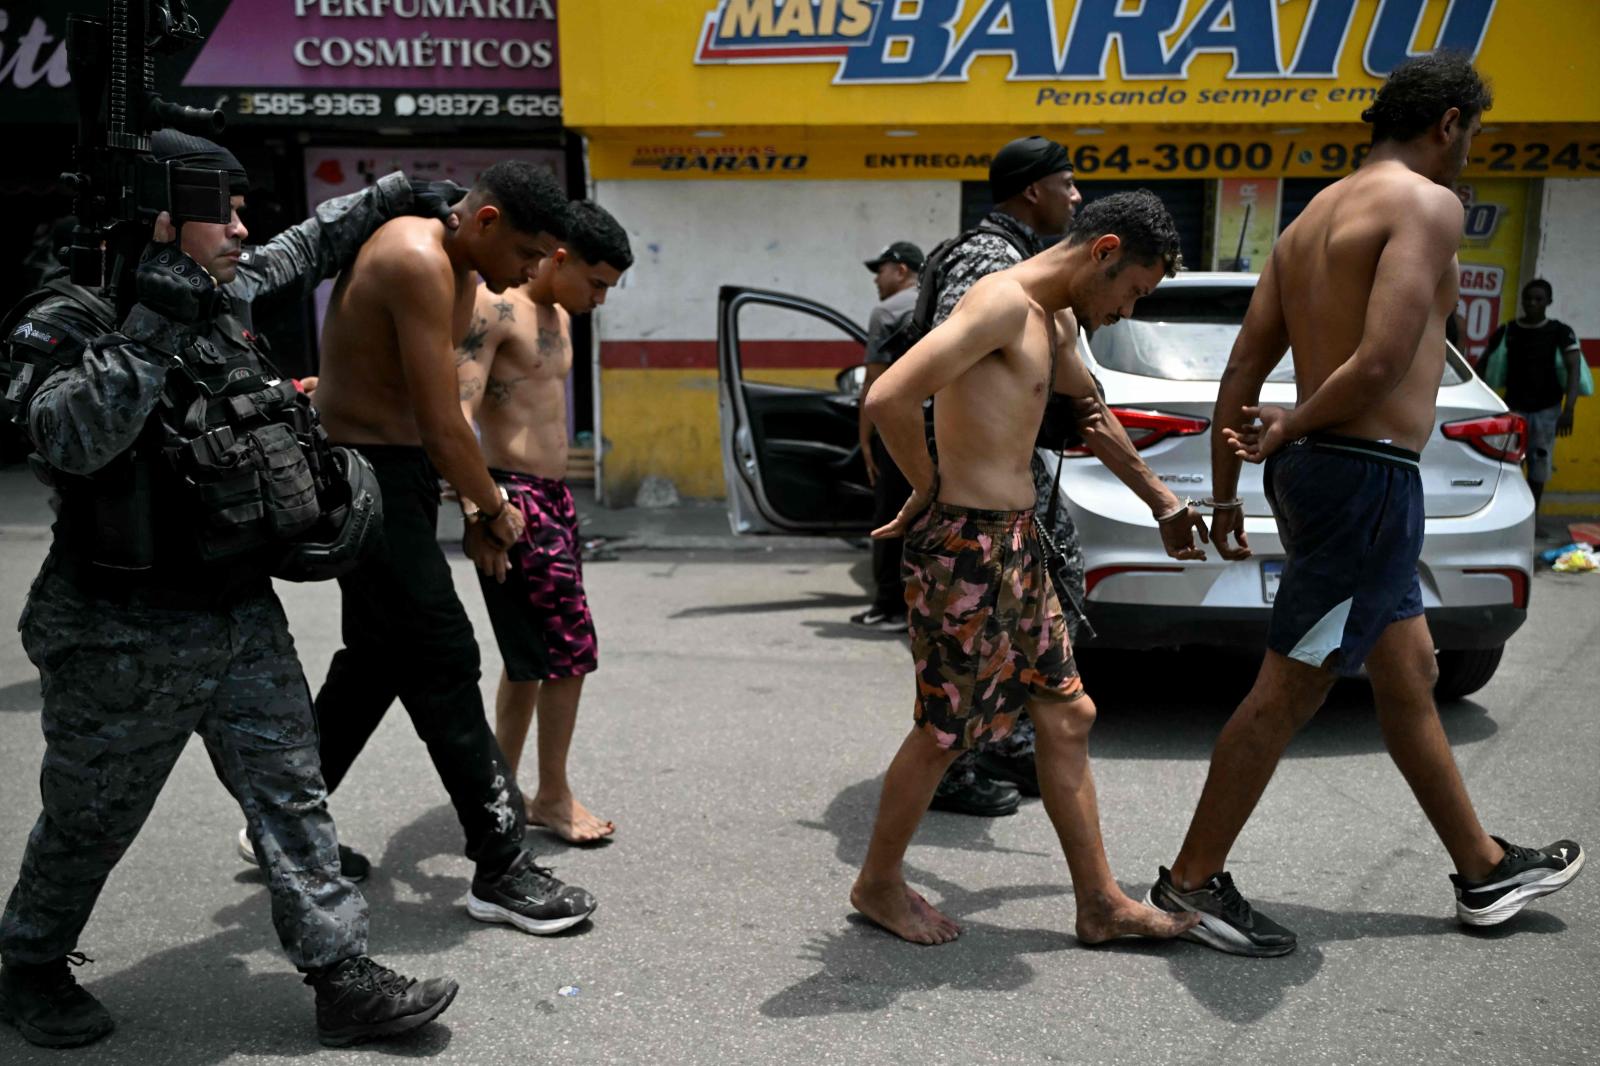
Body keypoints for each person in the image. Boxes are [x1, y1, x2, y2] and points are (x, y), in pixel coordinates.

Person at [0, 132, 461, 1049]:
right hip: (116, 628)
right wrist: (151, 326)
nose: (247, 230)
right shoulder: (68, 316)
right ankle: (31, 964)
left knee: (292, 796)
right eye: (229, 212)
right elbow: (67, 437)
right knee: (92, 817)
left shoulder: (223, 290)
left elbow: (304, 248)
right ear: (165, 221)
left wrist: (391, 194)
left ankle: (342, 976)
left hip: (237, 609)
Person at [1145, 53, 1583, 957]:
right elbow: (1381, 361)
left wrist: (1231, 493)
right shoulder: (1425, 204)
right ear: (1449, 122)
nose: (1469, 154)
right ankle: (1189, 886)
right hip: (1361, 476)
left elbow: (1241, 369)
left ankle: (1483, 868)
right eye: (1473, 136)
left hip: (1320, 475)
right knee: (1291, 685)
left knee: (1408, 673)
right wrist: (1291, 428)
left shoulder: (1307, 223)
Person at [850, 190, 1206, 946]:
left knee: (1069, 713)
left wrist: (1164, 503)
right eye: (1134, 292)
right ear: (1104, 251)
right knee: (945, 732)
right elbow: (889, 394)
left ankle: (1100, 903)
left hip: (1016, 541)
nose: (1130, 313)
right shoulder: (1001, 304)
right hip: (965, 545)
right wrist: (926, 486)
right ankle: (877, 884)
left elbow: (1092, 411)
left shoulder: (1057, 318)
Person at [302, 161, 599, 937]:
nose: (532, 273)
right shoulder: (418, 258)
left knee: (374, 661)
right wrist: (490, 505)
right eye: (528, 254)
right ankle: (500, 868)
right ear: (488, 220)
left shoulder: (458, 258)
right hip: (369, 475)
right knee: (443, 655)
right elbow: (444, 422)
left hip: (387, 472)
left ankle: (285, 818)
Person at [454, 200, 633, 845]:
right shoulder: (495, 309)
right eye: (596, 283)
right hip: (514, 498)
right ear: (560, 258)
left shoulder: (557, 314)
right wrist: (481, 510)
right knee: (569, 651)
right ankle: (552, 795)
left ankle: (504, 786)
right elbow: (459, 408)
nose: (600, 299)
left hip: (554, 498)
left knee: (531, 655)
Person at [851, 240, 925, 631]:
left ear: (900, 270)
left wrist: (865, 438)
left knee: (890, 516)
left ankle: (888, 606)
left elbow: (874, 384)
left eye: (880, 270)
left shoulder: (887, 311)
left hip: (897, 431)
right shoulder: (942, 303)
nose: (876, 280)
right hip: (941, 429)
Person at [1486, 278, 1584, 518]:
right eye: (1528, 298)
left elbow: (1574, 370)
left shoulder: (1560, 332)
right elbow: (1482, 367)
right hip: (1513, 411)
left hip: (1546, 411)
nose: (1532, 303)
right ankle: (1510, 518)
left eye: (1538, 299)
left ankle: (1532, 519)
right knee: (1510, 469)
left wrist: (1568, 409)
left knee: (1538, 469)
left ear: (1548, 302)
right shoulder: (1508, 331)